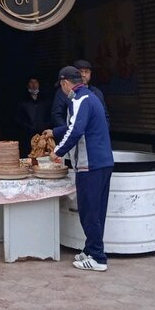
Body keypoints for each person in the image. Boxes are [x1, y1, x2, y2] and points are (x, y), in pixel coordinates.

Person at [50, 65, 114, 271]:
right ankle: (90, 249)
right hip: (103, 163)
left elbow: (76, 130)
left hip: (90, 164)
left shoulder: (79, 100)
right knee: (97, 211)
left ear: (65, 83)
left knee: (89, 212)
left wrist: (57, 152)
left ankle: (98, 258)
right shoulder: (91, 97)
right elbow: (77, 126)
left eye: (61, 86)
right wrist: (54, 132)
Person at [51, 58, 105, 127]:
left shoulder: (96, 92)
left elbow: (104, 115)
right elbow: (57, 115)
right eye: (80, 72)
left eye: (87, 72)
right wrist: (65, 130)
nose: (83, 75)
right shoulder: (64, 90)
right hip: (69, 130)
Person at [16, 77, 50, 156]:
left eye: (36, 82)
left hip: (43, 134)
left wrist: (45, 126)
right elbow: (18, 118)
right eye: (31, 82)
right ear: (28, 85)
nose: (34, 85)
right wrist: (28, 127)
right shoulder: (22, 101)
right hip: (27, 135)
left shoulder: (45, 100)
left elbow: (50, 116)